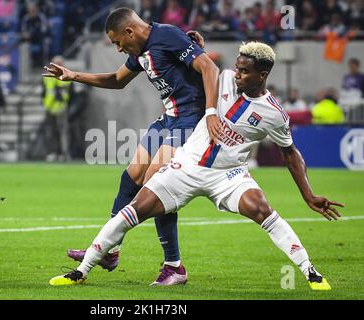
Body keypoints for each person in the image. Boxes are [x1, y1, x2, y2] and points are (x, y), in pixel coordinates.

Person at [49, 41, 344, 290]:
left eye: (245, 71)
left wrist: (308, 195)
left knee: (262, 210)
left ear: (262, 75)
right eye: (237, 68)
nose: (237, 74)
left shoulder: (274, 114)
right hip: (187, 166)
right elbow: (198, 66)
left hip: (228, 176)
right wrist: (196, 48)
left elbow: (290, 153)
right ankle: (81, 271)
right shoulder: (222, 78)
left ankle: (310, 272)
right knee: (136, 207)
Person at [43, 7, 221, 285]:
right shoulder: (138, 52)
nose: (117, 49)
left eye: (117, 42)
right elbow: (116, 81)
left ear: (130, 31)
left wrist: (211, 113)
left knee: (156, 186)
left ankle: (174, 266)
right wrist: (73, 75)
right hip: (169, 119)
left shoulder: (168, 36)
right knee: (131, 177)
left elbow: (210, 67)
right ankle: (110, 251)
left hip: (190, 119)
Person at [42, 55, 72, 162]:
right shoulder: (47, 76)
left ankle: (64, 153)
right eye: (56, 64)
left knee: (63, 132)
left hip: (61, 107)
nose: (58, 66)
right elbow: (44, 91)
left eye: (60, 63)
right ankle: (52, 153)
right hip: (49, 107)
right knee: (50, 132)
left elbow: (70, 93)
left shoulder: (67, 75)